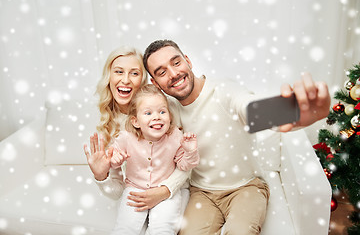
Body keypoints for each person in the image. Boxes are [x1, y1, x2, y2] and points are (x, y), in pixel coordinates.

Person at [139, 39, 331, 235]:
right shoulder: (166, 112)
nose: (173, 74)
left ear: (187, 61)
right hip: (202, 193)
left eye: (176, 62)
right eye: (161, 72)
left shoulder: (223, 90)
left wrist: (290, 112)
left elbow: (248, 107)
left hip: (246, 187)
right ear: (155, 83)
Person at [83, 46, 190, 230]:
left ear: (143, 80)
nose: (125, 80)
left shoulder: (165, 108)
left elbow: (186, 161)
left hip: (172, 189)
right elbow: (117, 192)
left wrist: (163, 191)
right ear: (109, 77)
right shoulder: (107, 124)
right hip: (137, 190)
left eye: (134, 73)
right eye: (118, 72)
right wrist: (102, 176)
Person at [108, 84, 199, 234]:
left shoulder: (175, 135)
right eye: (148, 113)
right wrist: (115, 161)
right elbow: (112, 156)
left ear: (169, 116)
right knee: (125, 229)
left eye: (162, 111)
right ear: (135, 121)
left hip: (165, 192)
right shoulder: (126, 137)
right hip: (134, 190)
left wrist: (190, 151)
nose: (156, 117)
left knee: (163, 229)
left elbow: (184, 166)